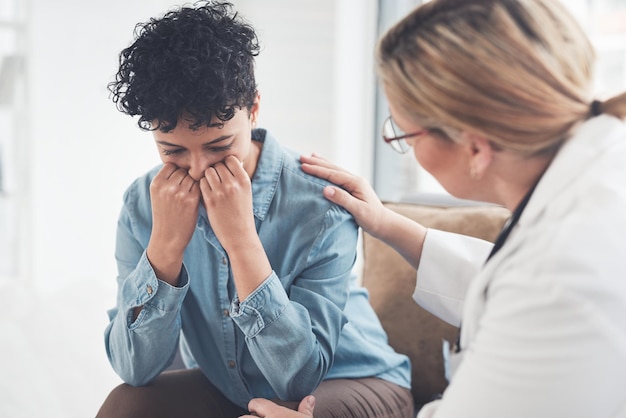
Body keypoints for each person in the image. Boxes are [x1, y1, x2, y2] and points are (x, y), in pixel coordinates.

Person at [240, 0, 626, 417]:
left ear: (475, 147)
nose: (406, 149)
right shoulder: (592, 173)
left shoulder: (565, 270)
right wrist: (386, 224)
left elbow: (531, 297)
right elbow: (500, 285)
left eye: (404, 134)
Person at [95, 2, 414, 418]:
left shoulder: (321, 204)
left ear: (254, 109)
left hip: (352, 381)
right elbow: (134, 370)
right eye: (172, 151)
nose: (197, 168)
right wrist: (164, 251)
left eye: (219, 146)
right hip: (229, 388)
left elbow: (297, 379)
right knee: (127, 405)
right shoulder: (142, 204)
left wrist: (242, 241)